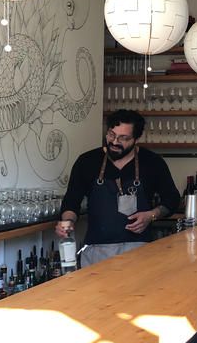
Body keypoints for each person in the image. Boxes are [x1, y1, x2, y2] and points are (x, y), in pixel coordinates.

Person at [56, 109, 181, 267]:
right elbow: (71, 201)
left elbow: (172, 199)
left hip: (140, 251)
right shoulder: (87, 161)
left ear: (136, 139)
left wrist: (151, 215)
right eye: (111, 135)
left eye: (123, 138)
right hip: (96, 251)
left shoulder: (152, 162)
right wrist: (67, 222)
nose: (114, 142)